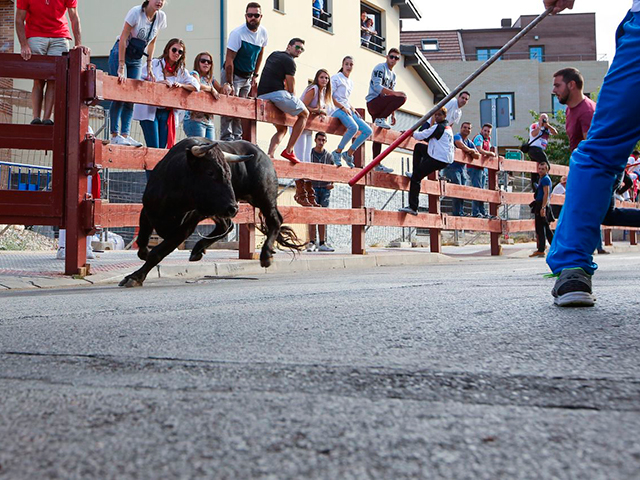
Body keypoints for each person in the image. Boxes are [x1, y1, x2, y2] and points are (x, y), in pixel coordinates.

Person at [545, 0, 640, 307]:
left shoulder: (584, 109)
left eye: (558, 85)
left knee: (597, 157)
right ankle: (573, 264)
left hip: (602, 171)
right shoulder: (571, 111)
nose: (554, 90)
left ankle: (573, 263)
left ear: (571, 85)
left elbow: (596, 146)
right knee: (602, 195)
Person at [16, 0, 89, 126]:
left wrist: (78, 43)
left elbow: (74, 16)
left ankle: (47, 118)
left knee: (53, 80)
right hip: (35, 35)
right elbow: (19, 19)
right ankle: (36, 118)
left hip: (59, 36)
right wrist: (24, 45)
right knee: (38, 78)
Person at [108, 0, 167, 147]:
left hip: (136, 57)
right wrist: (121, 65)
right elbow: (123, 38)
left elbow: (152, 42)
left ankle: (125, 135)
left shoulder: (161, 17)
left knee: (131, 97)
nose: (159, 1)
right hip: (121, 52)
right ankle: (114, 134)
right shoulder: (136, 12)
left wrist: (149, 66)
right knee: (120, 93)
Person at [133, 39, 199, 154]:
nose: (176, 53)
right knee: (154, 148)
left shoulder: (181, 71)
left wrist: (181, 85)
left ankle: (157, 172)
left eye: (180, 52)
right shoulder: (154, 63)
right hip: (150, 110)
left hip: (167, 113)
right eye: (174, 49)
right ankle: (151, 172)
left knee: (162, 151)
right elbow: (139, 80)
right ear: (168, 49)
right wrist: (158, 84)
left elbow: (195, 85)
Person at [220, 2, 268, 141]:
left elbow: (260, 53)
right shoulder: (238, 33)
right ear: (245, 16)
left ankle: (237, 137)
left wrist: (255, 74)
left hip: (247, 76)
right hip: (233, 73)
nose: (252, 18)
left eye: (256, 15)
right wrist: (229, 83)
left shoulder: (263, 33)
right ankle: (226, 138)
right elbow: (229, 60)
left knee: (240, 108)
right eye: (250, 15)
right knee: (229, 106)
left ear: (261, 16)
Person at [257, 38, 309, 163]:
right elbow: (291, 86)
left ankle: (270, 154)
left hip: (262, 94)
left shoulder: (274, 54)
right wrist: (293, 98)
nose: (300, 51)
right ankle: (289, 150)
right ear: (289, 46)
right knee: (305, 114)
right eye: (297, 47)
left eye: (302, 49)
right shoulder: (290, 61)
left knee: (282, 129)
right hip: (276, 94)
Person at [398, 107, 454, 216]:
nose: (437, 117)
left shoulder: (438, 127)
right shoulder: (448, 127)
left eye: (439, 115)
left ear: (444, 116)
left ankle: (413, 207)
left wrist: (409, 133)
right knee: (419, 148)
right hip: (442, 157)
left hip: (438, 158)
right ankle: (415, 171)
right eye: (435, 115)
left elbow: (422, 135)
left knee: (416, 178)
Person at [292, 68, 333, 207]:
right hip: (300, 125)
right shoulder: (314, 88)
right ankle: (300, 194)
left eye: (326, 78)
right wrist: (318, 111)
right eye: (322, 77)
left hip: (308, 128)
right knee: (300, 158)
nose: (324, 80)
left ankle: (309, 195)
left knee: (307, 160)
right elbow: (302, 106)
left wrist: (320, 113)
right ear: (317, 78)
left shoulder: (323, 94)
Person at [366, 48, 407, 173]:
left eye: (396, 58)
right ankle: (380, 119)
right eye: (392, 57)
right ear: (387, 57)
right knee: (402, 96)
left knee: (378, 135)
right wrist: (395, 94)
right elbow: (378, 87)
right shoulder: (380, 68)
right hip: (374, 102)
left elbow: (390, 96)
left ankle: (376, 163)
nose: (393, 60)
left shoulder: (393, 75)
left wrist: (392, 113)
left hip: (383, 108)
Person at [330, 56, 373, 168]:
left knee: (368, 130)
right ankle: (337, 152)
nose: (349, 66)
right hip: (336, 108)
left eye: (351, 64)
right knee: (353, 127)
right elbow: (329, 96)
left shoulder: (350, 82)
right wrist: (342, 107)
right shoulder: (336, 78)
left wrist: (352, 108)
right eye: (347, 64)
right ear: (342, 65)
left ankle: (349, 153)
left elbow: (345, 99)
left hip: (347, 108)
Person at [183, 52, 224, 141]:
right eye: (203, 61)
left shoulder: (210, 79)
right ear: (198, 62)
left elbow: (221, 90)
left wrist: (228, 85)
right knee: (200, 149)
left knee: (211, 149)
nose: (206, 63)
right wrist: (211, 89)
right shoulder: (194, 74)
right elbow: (197, 85)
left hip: (209, 121)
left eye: (209, 62)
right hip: (194, 120)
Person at [307, 132, 336, 252]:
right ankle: (311, 242)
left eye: (323, 140)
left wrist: (332, 183)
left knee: (323, 215)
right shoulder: (309, 154)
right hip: (312, 187)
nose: (321, 142)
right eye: (319, 139)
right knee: (312, 215)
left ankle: (322, 242)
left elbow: (333, 171)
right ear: (315, 140)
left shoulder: (329, 156)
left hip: (324, 188)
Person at [445, 122, 480, 216]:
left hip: (462, 169)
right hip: (452, 167)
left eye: (469, 128)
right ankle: (457, 213)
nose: (466, 129)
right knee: (458, 189)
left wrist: (470, 151)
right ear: (461, 128)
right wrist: (470, 151)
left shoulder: (469, 142)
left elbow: (477, 155)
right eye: (464, 127)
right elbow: (459, 144)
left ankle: (460, 211)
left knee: (462, 191)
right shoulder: (457, 136)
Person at [470, 123, 497, 218]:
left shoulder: (487, 140)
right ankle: (476, 212)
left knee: (481, 190)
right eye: (485, 130)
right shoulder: (479, 138)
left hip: (481, 168)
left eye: (488, 131)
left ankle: (482, 212)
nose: (486, 132)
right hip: (474, 167)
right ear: (481, 130)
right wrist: (490, 153)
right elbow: (479, 150)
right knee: (477, 189)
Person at [530, 161, 554, 257]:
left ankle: (541, 249)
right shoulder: (542, 179)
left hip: (542, 204)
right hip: (541, 204)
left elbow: (546, 193)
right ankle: (554, 246)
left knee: (540, 228)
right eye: (539, 169)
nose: (540, 170)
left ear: (547, 170)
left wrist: (543, 207)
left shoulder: (545, 180)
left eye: (543, 169)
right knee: (545, 228)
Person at [528, 113, 558, 187]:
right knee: (546, 164)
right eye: (542, 119)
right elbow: (533, 134)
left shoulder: (547, 128)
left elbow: (555, 133)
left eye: (545, 119)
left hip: (540, 149)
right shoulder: (535, 125)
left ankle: (536, 185)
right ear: (539, 119)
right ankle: (544, 184)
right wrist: (539, 127)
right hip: (534, 149)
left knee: (536, 168)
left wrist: (548, 126)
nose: (544, 121)